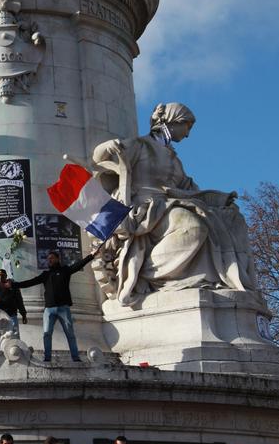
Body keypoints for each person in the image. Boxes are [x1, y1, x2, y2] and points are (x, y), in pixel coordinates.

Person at [92, 103, 259, 305]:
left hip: (171, 203)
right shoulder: (140, 145)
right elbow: (99, 158)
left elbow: (190, 189)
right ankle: (145, 275)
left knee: (234, 219)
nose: (187, 134)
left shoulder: (174, 158)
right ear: (172, 121)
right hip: (146, 208)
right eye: (187, 127)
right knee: (193, 227)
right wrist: (107, 146)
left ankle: (234, 282)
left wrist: (220, 200)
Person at [13, 249, 95, 362]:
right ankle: (47, 358)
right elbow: (30, 282)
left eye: (52, 258)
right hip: (49, 310)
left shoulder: (65, 270)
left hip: (63, 308)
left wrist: (91, 256)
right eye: (48, 259)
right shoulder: (46, 275)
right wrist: (14, 285)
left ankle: (75, 358)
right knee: (47, 334)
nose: (49, 260)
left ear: (57, 259)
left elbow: (78, 265)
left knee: (70, 334)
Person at [0, 269, 27, 335]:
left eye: (2, 275)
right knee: (0, 338)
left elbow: (19, 301)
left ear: (6, 276)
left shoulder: (13, 287)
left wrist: (23, 314)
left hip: (12, 316)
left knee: (14, 336)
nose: (0, 277)